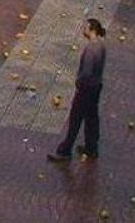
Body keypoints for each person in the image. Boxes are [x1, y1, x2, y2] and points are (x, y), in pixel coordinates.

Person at [47, 18, 107, 162]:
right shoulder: (101, 46)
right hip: (96, 86)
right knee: (92, 117)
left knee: (75, 118)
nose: (83, 30)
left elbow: (86, 72)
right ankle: (91, 147)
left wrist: (78, 82)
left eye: (85, 27)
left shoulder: (90, 49)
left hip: (86, 89)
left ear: (92, 29)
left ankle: (65, 150)